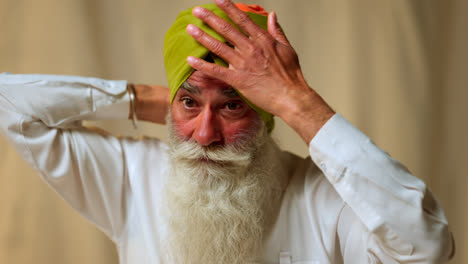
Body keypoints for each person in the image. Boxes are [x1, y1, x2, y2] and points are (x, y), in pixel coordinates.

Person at [0, 0, 454, 263]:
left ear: (269, 112)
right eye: (191, 103)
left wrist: (300, 102)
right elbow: (10, 103)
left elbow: (428, 246)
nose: (204, 135)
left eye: (233, 105)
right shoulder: (131, 175)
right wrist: (153, 99)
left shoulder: (321, 198)